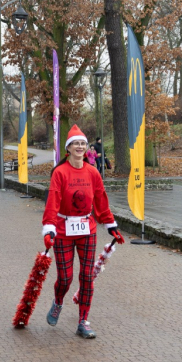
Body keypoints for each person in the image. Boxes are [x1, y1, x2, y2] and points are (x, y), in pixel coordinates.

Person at [42, 124, 124, 339]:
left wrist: (111, 225)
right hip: (63, 229)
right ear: (68, 148)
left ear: (86, 148)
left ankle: (83, 321)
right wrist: (49, 227)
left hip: (87, 229)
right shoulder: (60, 173)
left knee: (87, 277)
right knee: (66, 278)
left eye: (82, 143)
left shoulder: (93, 172)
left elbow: (101, 201)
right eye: (75, 143)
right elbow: (52, 201)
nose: (79, 146)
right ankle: (58, 302)